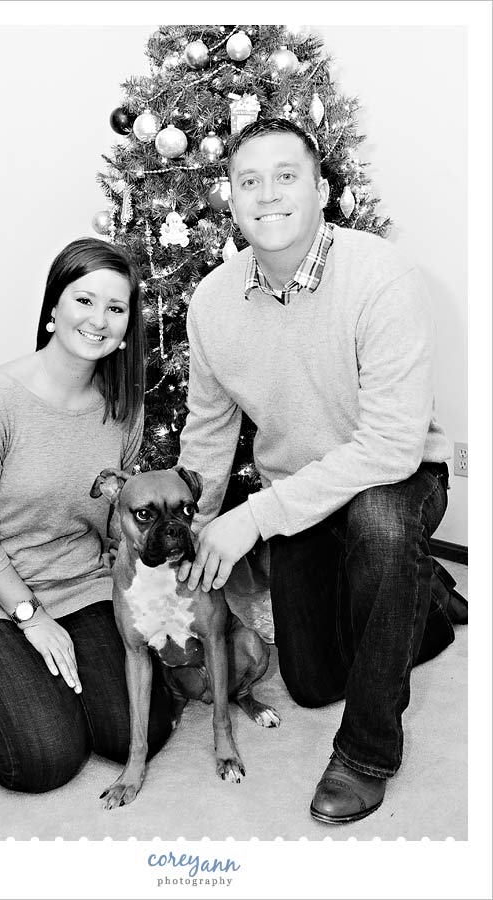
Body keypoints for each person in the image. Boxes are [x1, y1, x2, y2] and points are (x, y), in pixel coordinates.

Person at [177, 118, 467, 824]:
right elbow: (210, 434)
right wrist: (193, 534)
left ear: (321, 190)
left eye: (286, 176)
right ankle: (423, 596)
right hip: (298, 493)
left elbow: (391, 448)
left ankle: (367, 753)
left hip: (394, 479)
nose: (267, 194)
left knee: (381, 522)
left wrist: (253, 519)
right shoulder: (212, 301)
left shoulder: (379, 276)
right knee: (309, 681)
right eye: (249, 181)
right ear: (231, 200)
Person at [0, 237, 174, 793]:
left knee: (139, 731)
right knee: (44, 758)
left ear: (125, 330)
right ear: (52, 310)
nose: (99, 320)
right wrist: (31, 617)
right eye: (84, 301)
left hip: (82, 585)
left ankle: (27, 682)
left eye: (116, 309)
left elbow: (121, 521)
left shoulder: (124, 410)